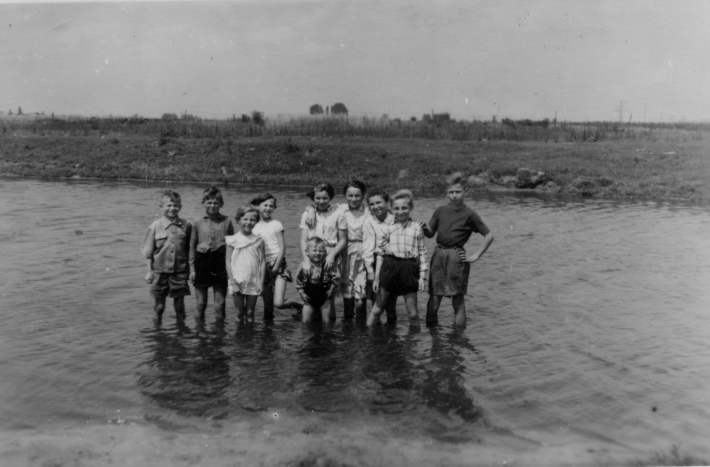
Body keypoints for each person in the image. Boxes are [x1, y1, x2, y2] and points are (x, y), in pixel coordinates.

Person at [420, 172, 494, 327]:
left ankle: (459, 337)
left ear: (465, 192)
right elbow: (430, 233)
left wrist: (475, 256)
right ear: (447, 193)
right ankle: (432, 335)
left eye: (458, 192)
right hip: (438, 254)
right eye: (451, 192)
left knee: (458, 299)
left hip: (456, 256)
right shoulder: (440, 210)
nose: (454, 195)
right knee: (434, 297)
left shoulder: (470, 214)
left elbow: (489, 236)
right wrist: (424, 228)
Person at [368, 189, 427, 328]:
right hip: (389, 267)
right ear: (391, 209)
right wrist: (376, 277)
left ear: (410, 208)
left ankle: (414, 343)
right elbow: (380, 254)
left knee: (412, 313)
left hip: (409, 269)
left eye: (404, 208)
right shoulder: (387, 228)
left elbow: (423, 252)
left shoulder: (416, 228)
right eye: (396, 208)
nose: (400, 211)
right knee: (377, 310)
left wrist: (422, 276)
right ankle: (368, 338)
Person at [141, 189, 192, 321]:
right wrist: (149, 272)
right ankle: (157, 333)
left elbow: (190, 250)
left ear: (180, 207)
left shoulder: (186, 225)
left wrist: (191, 270)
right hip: (159, 272)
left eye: (175, 205)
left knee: (179, 306)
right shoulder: (155, 226)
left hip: (179, 272)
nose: (172, 208)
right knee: (159, 306)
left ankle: (181, 332)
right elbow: (148, 252)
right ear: (161, 206)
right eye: (168, 205)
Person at [251, 193, 303, 319]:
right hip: (261, 266)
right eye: (265, 205)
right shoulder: (252, 224)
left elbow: (282, 248)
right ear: (257, 206)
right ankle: (268, 333)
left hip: (278, 264)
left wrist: (275, 268)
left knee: (278, 304)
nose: (268, 208)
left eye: (271, 206)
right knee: (268, 306)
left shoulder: (276, 224)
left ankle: (299, 305)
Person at [299, 182, 347, 316]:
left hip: (331, 255)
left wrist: (332, 256)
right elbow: (303, 240)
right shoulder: (307, 214)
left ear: (331, 197)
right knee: (310, 291)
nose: (321, 201)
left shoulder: (338, 213)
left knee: (329, 295)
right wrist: (306, 262)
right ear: (313, 198)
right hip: (312, 256)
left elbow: (343, 239)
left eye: (325, 198)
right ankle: (312, 327)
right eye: (317, 198)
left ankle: (328, 330)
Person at [189, 186, 235, 321]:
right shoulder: (197, 221)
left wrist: (232, 270)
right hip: (202, 262)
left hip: (221, 263)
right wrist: (192, 269)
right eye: (209, 202)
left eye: (216, 203)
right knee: (200, 303)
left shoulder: (227, 221)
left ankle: (219, 336)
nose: (213, 205)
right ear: (203, 202)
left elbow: (232, 246)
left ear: (221, 204)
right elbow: (192, 246)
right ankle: (200, 335)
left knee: (219, 305)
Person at [362, 187, 398, 323]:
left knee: (391, 305)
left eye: (379, 203)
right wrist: (370, 272)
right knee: (377, 304)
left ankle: (391, 332)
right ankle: (374, 334)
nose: (375, 207)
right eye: (372, 204)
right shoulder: (369, 221)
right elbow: (367, 248)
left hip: (394, 264)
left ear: (387, 202)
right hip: (376, 263)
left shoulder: (395, 218)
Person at [226, 205, 266, 323]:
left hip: (254, 281)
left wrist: (261, 283)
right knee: (239, 312)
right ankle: (239, 339)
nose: (248, 222)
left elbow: (262, 262)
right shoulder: (232, 240)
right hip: (237, 280)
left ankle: (250, 338)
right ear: (238, 220)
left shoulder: (259, 240)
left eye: (252, 219)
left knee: (250, 312)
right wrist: (232, 282)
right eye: (245, 219)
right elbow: (228, 262)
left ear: (256, 222)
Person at [295, 237, 341, 323]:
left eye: (321, 251)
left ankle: (326, 335)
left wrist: (332, 289)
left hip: (324, 297)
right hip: (309, 298)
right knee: (305, 320)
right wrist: (301, 292)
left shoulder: (328, 264)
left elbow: (337, 277)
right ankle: (306, 335)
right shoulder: (304, 265)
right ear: (307, 252)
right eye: (314, 250)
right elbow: (298, 280)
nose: (317, 253)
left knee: (326, 321)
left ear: (325, 252)